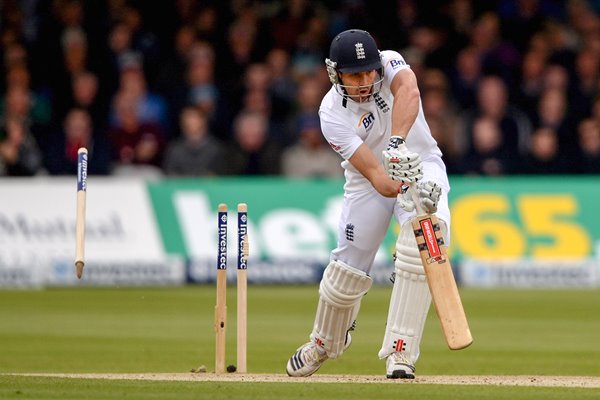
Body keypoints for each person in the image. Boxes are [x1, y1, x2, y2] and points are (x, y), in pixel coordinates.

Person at [285, 29, 449, 380]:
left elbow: (409, 90)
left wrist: (400, 148)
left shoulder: (390, 63)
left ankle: (401, 352)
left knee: (418, 250)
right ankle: (323, 342)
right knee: (347, 270)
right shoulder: (331, 113)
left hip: (421, 164)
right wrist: (401, 184)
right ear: (335, 73)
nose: (363, 81)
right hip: (369, 181)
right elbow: (378, 177)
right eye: (353, 74)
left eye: (368, 72)